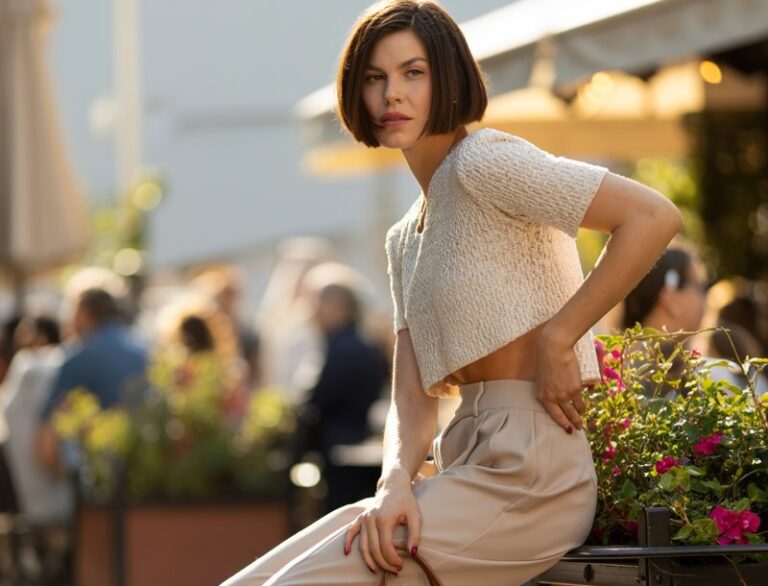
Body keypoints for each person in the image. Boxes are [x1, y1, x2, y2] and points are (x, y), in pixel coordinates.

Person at [221, 2, 682, 585]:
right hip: (463, 458)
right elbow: (411, 398)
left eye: (414, 73)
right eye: (375, 78)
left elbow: (651, 216)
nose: (392, 94)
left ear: (448, 79)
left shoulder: (482, 161)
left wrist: (562, 337)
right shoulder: (403, 237)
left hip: (532, 473)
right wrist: (394, 481)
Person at [294, 281, 388, 513]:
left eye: (321, 304)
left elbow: (320, 401)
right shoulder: (366, 346)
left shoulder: (342, 349)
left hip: (340, 451)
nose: (315, 312)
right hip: (360, 443)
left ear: (340, 307)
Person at [35, 287, 148, 475]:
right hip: (148, 472)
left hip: (100, 476)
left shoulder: (77, 360)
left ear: (83, 314)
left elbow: (47, 442)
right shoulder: (144, 351)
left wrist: (64, 478)